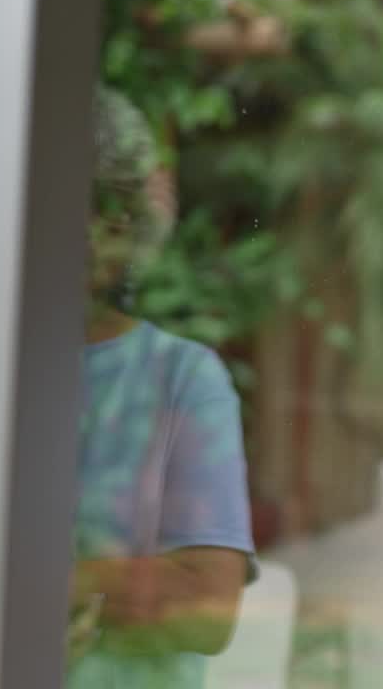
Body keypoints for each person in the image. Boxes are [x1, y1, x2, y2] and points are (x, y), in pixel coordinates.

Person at [65, 86, 256, 687]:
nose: (93, 229)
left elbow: (210, 608)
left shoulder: (183, 379)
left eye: (110, 207)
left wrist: (53, 582)